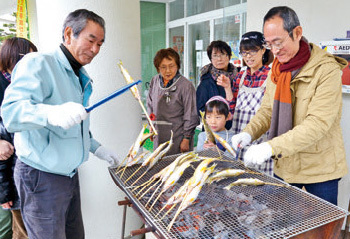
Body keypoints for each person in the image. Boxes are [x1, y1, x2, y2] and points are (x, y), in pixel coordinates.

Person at [1, 9, 121, 239]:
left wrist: (96, 148)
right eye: (91, 40)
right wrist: (51, 113)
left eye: (101, 44)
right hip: (41, 176)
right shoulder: (38, 63)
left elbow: (75, 125)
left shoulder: (79, 75)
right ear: (69, 34)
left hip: (69, 175)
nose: (96, 49)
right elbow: (11, 114)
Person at [231, 6, 348, 205]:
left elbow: (318, 123)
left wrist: (269, 147)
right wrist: (249, 133)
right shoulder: (276, 70)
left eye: (278, 42)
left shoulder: (326, 70)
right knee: (283, 224)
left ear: (297, 33)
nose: (274, 50)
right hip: (285, 165)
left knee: (320, 231)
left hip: (320, 169)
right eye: (269, 44)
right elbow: (267, 110)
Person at [219, 31, 274, 175]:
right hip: (239, 138)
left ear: (263, 50)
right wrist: (227, 88)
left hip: (261, 141)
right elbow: (231, 111)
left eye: (253, 51)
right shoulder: (240, 76)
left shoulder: (272, 77)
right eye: (244, 52)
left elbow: (272, 113)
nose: (248, 56)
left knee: (261, 184)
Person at [0, 37, 37, 239]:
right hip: (9, 173)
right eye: (28, 58)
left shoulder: (28, 84)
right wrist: (4, 194)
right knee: (17, 229)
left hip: (26, 173)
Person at [147, 48, 199, 155]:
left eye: (171, 66)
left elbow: (191, 113)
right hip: (159, 133)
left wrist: (186, 138)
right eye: (163, 67)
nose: (168, 71)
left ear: (178, 66)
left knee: (178, 167)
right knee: (159, 165)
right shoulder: (155, 81)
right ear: (158, 68)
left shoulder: (186, 85)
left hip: (178, 136)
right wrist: (151, 126)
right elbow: (150, 104)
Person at [196, 40, 238, 130]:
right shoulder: (206, 80)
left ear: (229, 56)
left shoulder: (239, 76)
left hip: (237, 127)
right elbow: (200, 109)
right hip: (213, 129)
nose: (219, 59)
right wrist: (217, 118)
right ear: (211, 59)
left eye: (222, 54)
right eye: (215, 56)